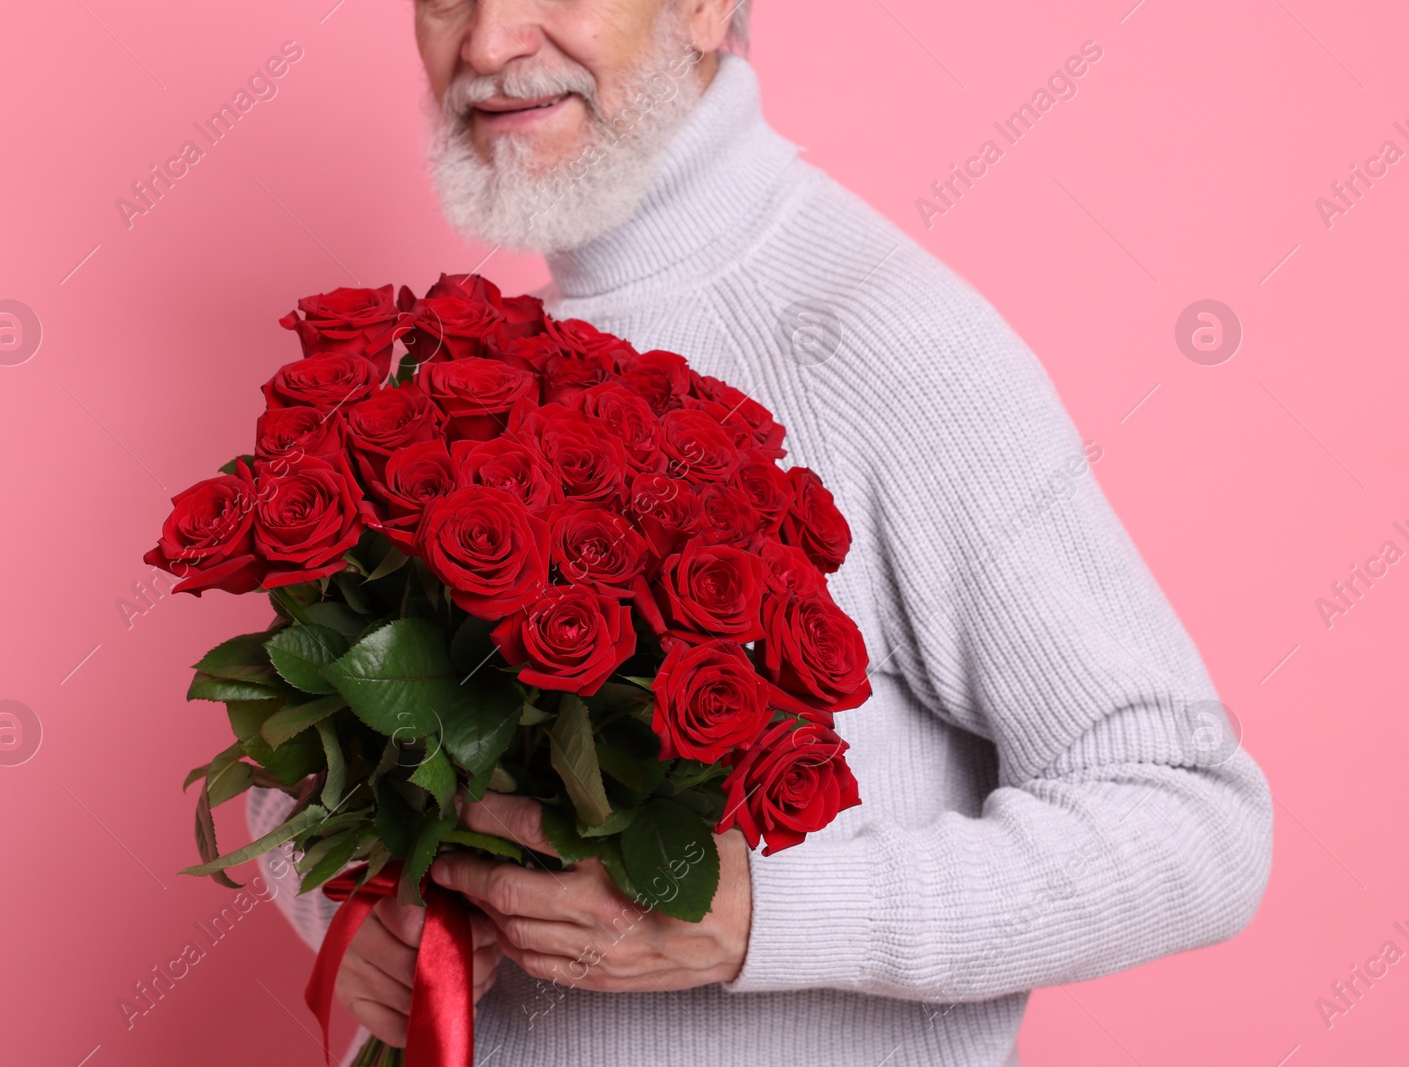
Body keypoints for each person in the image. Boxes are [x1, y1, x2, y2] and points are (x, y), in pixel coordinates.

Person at [246, 2, 1274, 1064]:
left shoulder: (890, 341)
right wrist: (349, 906)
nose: (488, 42)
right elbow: (322, 740)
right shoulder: (472, 366)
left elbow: (1194, 823)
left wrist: (760, 918)